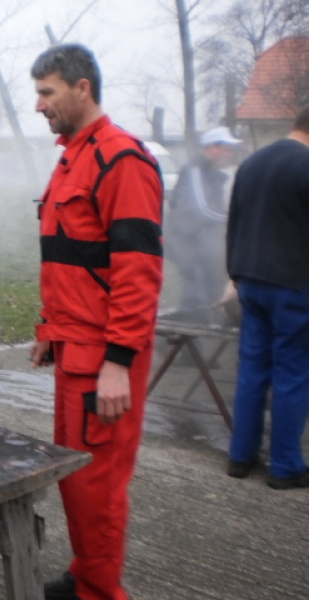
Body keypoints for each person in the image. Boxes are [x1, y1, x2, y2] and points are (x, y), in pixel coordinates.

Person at [28, 44, 164, 600]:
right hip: (75, 351)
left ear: (82, 88)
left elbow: (138, 271)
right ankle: (88, 573)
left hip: (106, 361)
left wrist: (119, 362)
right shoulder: (71, 157)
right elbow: (70, 259)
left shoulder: (121, 160)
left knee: (99, 486)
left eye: (47, 92)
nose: (39, 105)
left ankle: (101, 592)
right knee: (77, 478)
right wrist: (48, 330)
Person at [225, 106, 309, 490]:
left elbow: (235, 221)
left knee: (253, 370)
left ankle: (240, 457)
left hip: (250, 281)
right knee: (291, 375)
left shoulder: (252, 163)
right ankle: (285, 467)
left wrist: (235, 273)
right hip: (293, 286)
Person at [164, 126, 240, 313]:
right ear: (212, 147)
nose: (229, 153)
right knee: (196, 290)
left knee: (213, 287)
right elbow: (202, 209)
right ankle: (188, 329)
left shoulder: (215, 175)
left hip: (202, 242)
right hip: (185, 241)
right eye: (226, 148)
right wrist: (234, 218)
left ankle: (206, 327)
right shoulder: (195, 170)